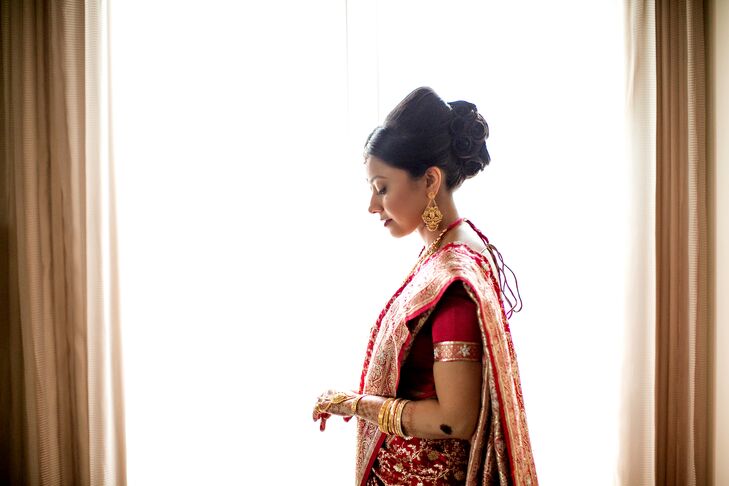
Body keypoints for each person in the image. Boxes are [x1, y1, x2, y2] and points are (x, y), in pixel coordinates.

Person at [312, 87, 538, 485]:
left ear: (430, 180)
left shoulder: (452, 279)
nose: (372, 205)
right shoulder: (449, 246)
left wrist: (356, 404)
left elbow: (455, 420)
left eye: (382, 188)